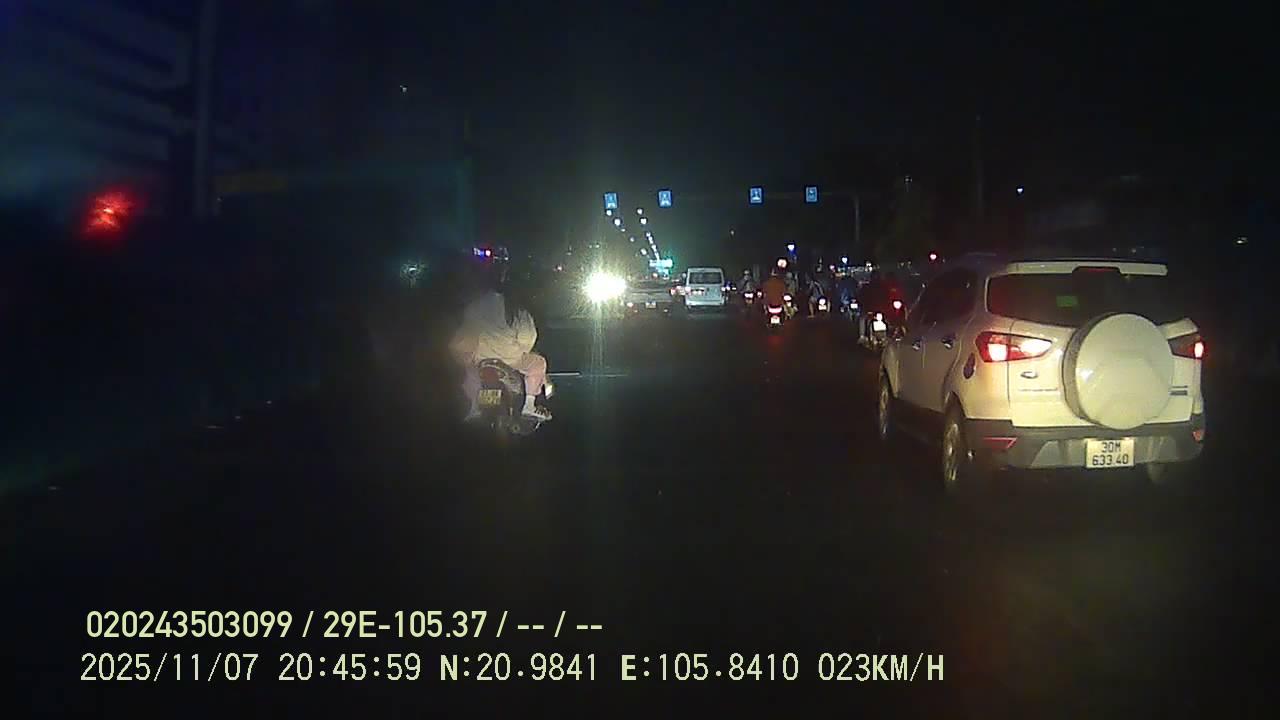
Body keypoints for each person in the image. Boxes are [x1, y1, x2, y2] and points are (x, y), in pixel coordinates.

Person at [449, 266, 552, 422]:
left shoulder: (474, 306)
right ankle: (529, 406)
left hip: (481, 359)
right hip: (510, 360)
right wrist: (522, 350)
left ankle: (474, 408)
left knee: (470, 374)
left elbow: (465, 335)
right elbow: (527, 339)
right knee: (539, 363)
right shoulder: (516, 308)